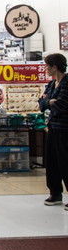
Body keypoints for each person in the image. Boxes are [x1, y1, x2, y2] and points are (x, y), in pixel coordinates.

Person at [39, 53, 68, 208]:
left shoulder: (66, 83)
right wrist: (48, 102)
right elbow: (41, 103)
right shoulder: (51, 84)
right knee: (52, 162)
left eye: (47, 66)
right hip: (52, 127)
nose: (45, 69)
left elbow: (62, 105)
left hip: (64, 129)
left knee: (65, 162)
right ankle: (55, 193)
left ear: (55, 67)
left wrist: (47, 102)